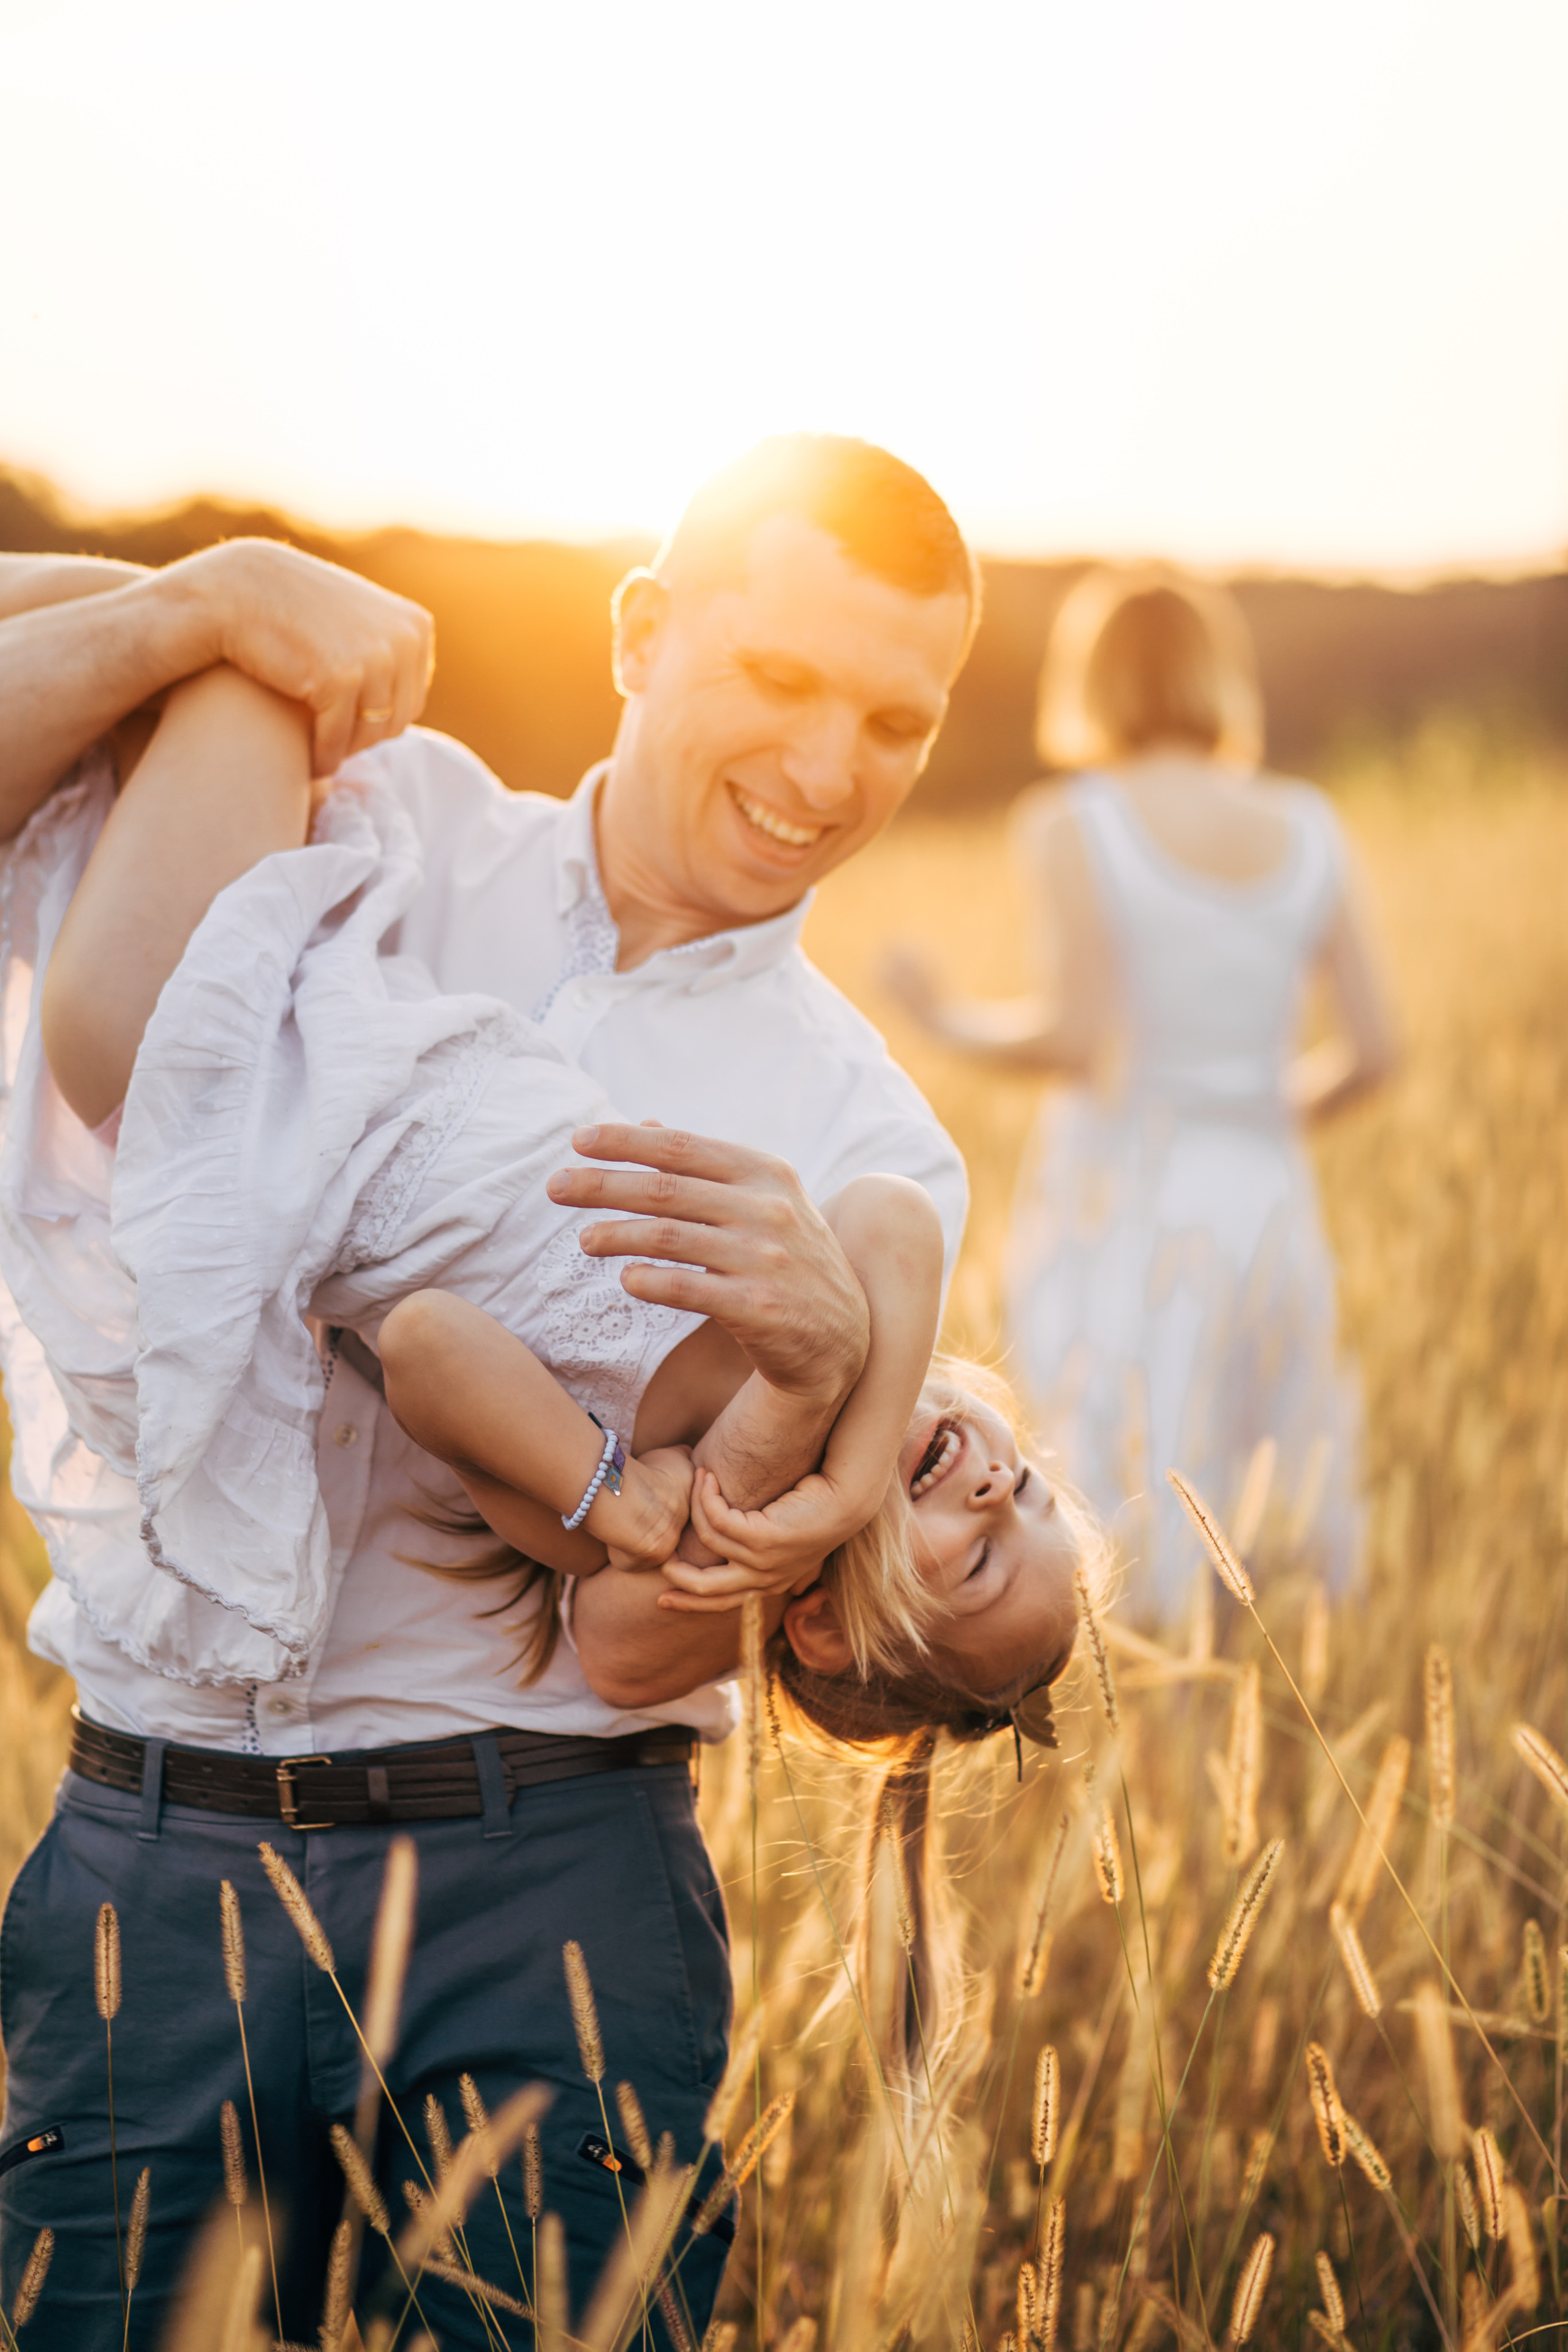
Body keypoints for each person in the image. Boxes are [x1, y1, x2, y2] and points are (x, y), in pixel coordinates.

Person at [0, 435, 989, 2348]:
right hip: (155, 1840)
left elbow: (640, 1650)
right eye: (779, 677)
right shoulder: (368, 810)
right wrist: (208, 593)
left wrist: (808, 1365)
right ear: (640, 632)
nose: (829, 766)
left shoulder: (870, 1152)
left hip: (541, 1884)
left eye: (897, 719)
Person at [885, 564, 1398, 1617]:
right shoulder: (1311, 825)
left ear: (1096, 681)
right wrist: (1250, 1115)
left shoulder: (1077, 819)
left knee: (1125, 1458)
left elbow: (1076, 1038)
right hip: (1264, 1185)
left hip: (1129, 1185)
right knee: (1274, 1463)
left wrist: (941, 1019)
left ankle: (1158, 1732)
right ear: (1220, 675)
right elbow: (1376, 1051)